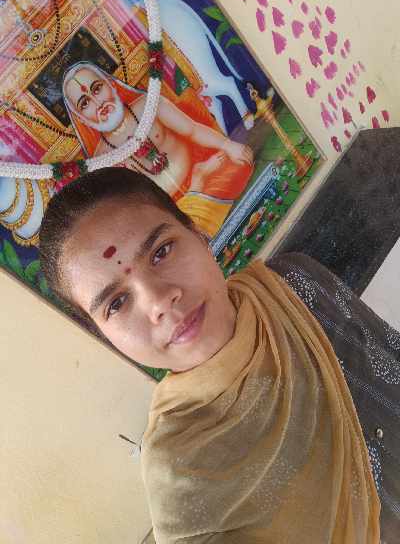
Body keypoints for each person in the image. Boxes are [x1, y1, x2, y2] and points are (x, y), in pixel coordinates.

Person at [39, 167, 400, 543]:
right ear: (106, 335)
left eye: (161, 251)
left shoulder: (292, 282)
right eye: (116, 303)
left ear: (198, 233)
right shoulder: (182, 477)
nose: (159, 301)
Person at [62, 62, 254, 237]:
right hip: (168, 215)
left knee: (240, 164)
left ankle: (198, 185)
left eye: (97, 89)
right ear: (81, 118)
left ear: (111, 84)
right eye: (85, 103)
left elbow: (192, 130)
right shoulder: (101, 160)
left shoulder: (148, 105)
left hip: (208, 178)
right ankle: (198, 184)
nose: (98, 104)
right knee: (179, 231)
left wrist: (228, 145)